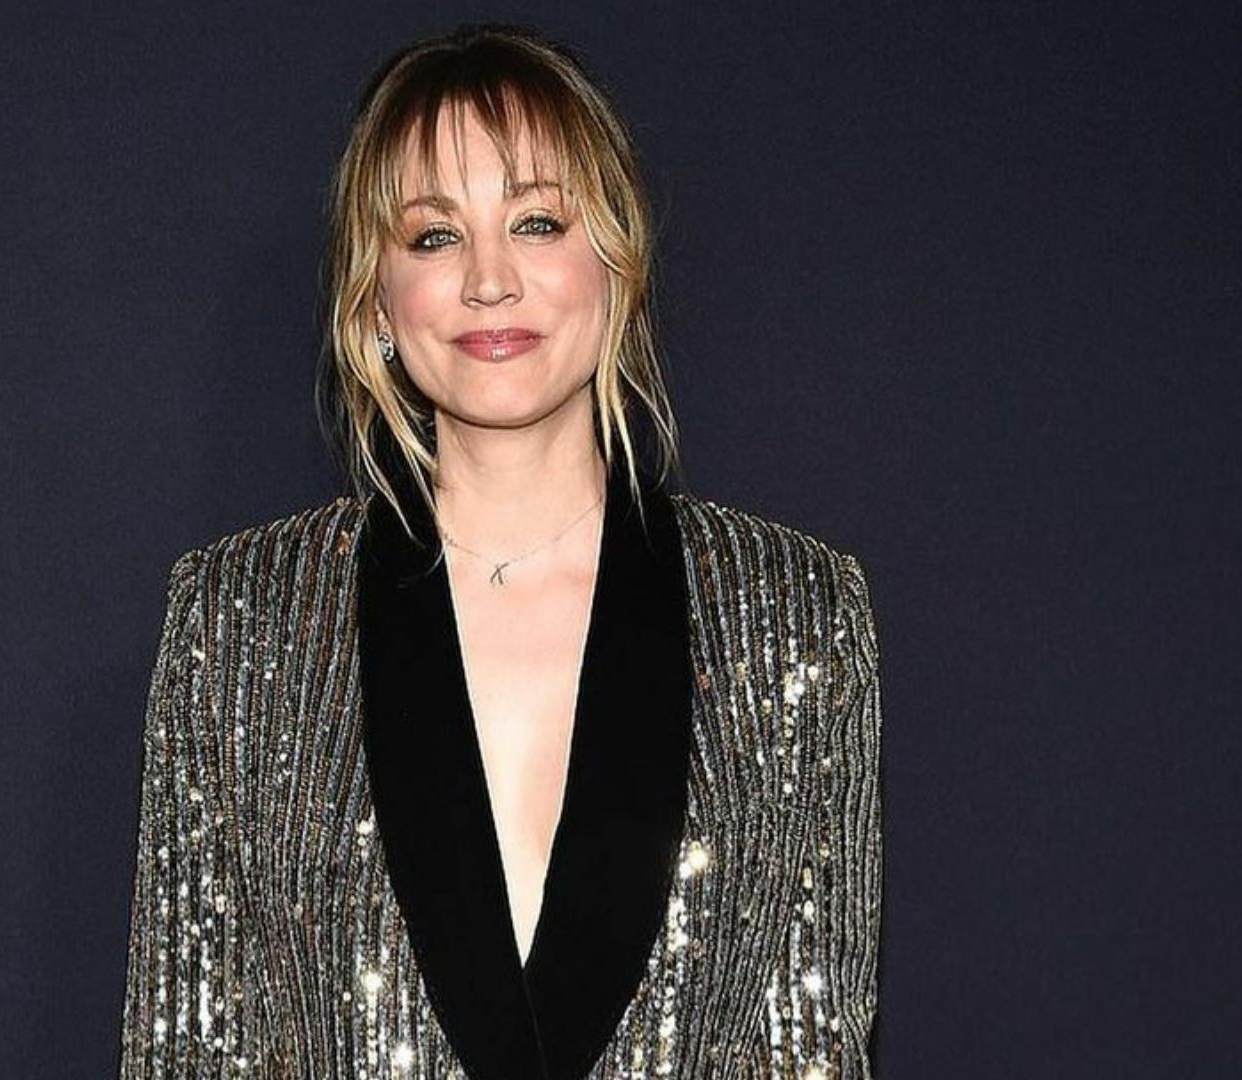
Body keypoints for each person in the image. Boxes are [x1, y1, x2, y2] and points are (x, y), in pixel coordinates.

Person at [119, 24, 883, 1080]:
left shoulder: (792, 611)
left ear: (616, 264)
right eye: (435, 235)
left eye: (535, 221)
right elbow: (186, 1054)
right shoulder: (241, 618)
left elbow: (813, 1053)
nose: (489, 279)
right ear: (376, 299)